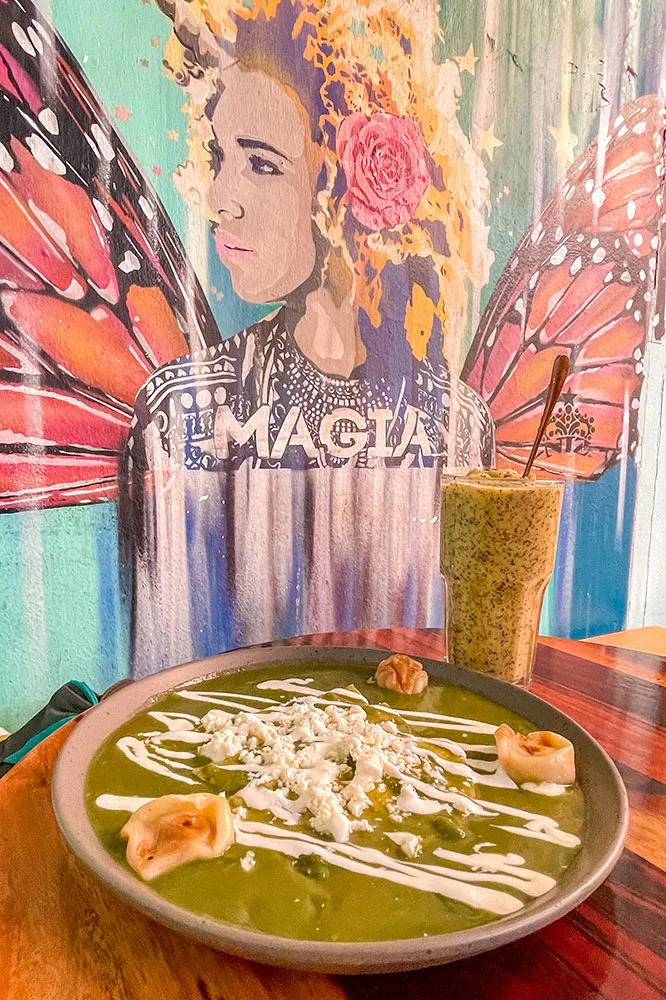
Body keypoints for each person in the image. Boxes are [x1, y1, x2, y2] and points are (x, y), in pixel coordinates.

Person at [122, 0, 495, 677]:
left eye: (261, 163)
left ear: (343, 186)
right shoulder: (178, 416)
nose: (221, 198)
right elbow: (160, 699)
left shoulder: (459, 428)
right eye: (218, 157)